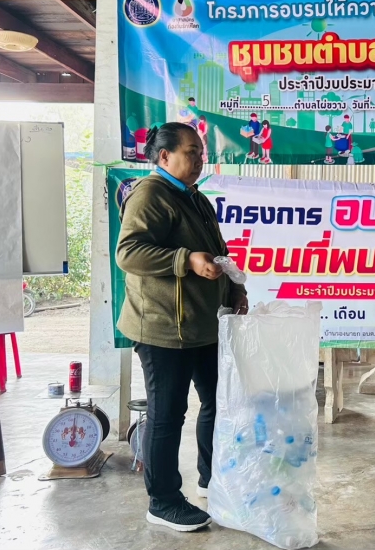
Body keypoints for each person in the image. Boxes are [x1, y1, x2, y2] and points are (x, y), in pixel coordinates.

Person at [116, 122, 249, 533]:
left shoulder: (196, 197)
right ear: (164, 156)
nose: (199, 159)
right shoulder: (150, 195)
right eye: (191, 152)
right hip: (163, 329)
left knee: (218, 402)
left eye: (201, 152)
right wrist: (185, 260)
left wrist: (235, 289)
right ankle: (163, 500)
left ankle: (212, 478)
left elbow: (219, 252)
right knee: (167, 415)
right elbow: (128, 252)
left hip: (204, 326)